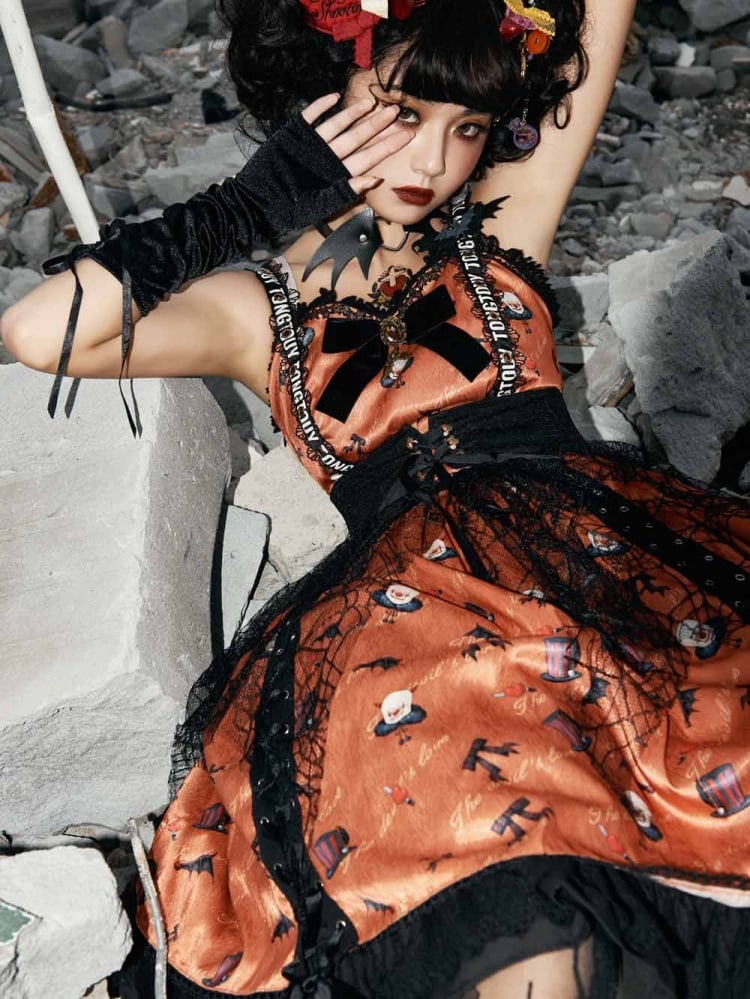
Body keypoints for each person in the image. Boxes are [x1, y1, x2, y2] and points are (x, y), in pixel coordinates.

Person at [3, 0, 750, 996]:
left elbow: (601, 14)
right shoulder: (257, 315)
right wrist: (254, 201)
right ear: (326, 101)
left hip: (593, 566)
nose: (434, 160)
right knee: (473, 813)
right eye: (402, 113)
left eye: (467, 127)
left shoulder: (503, 232)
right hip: (408, 619)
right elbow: (40, 332)